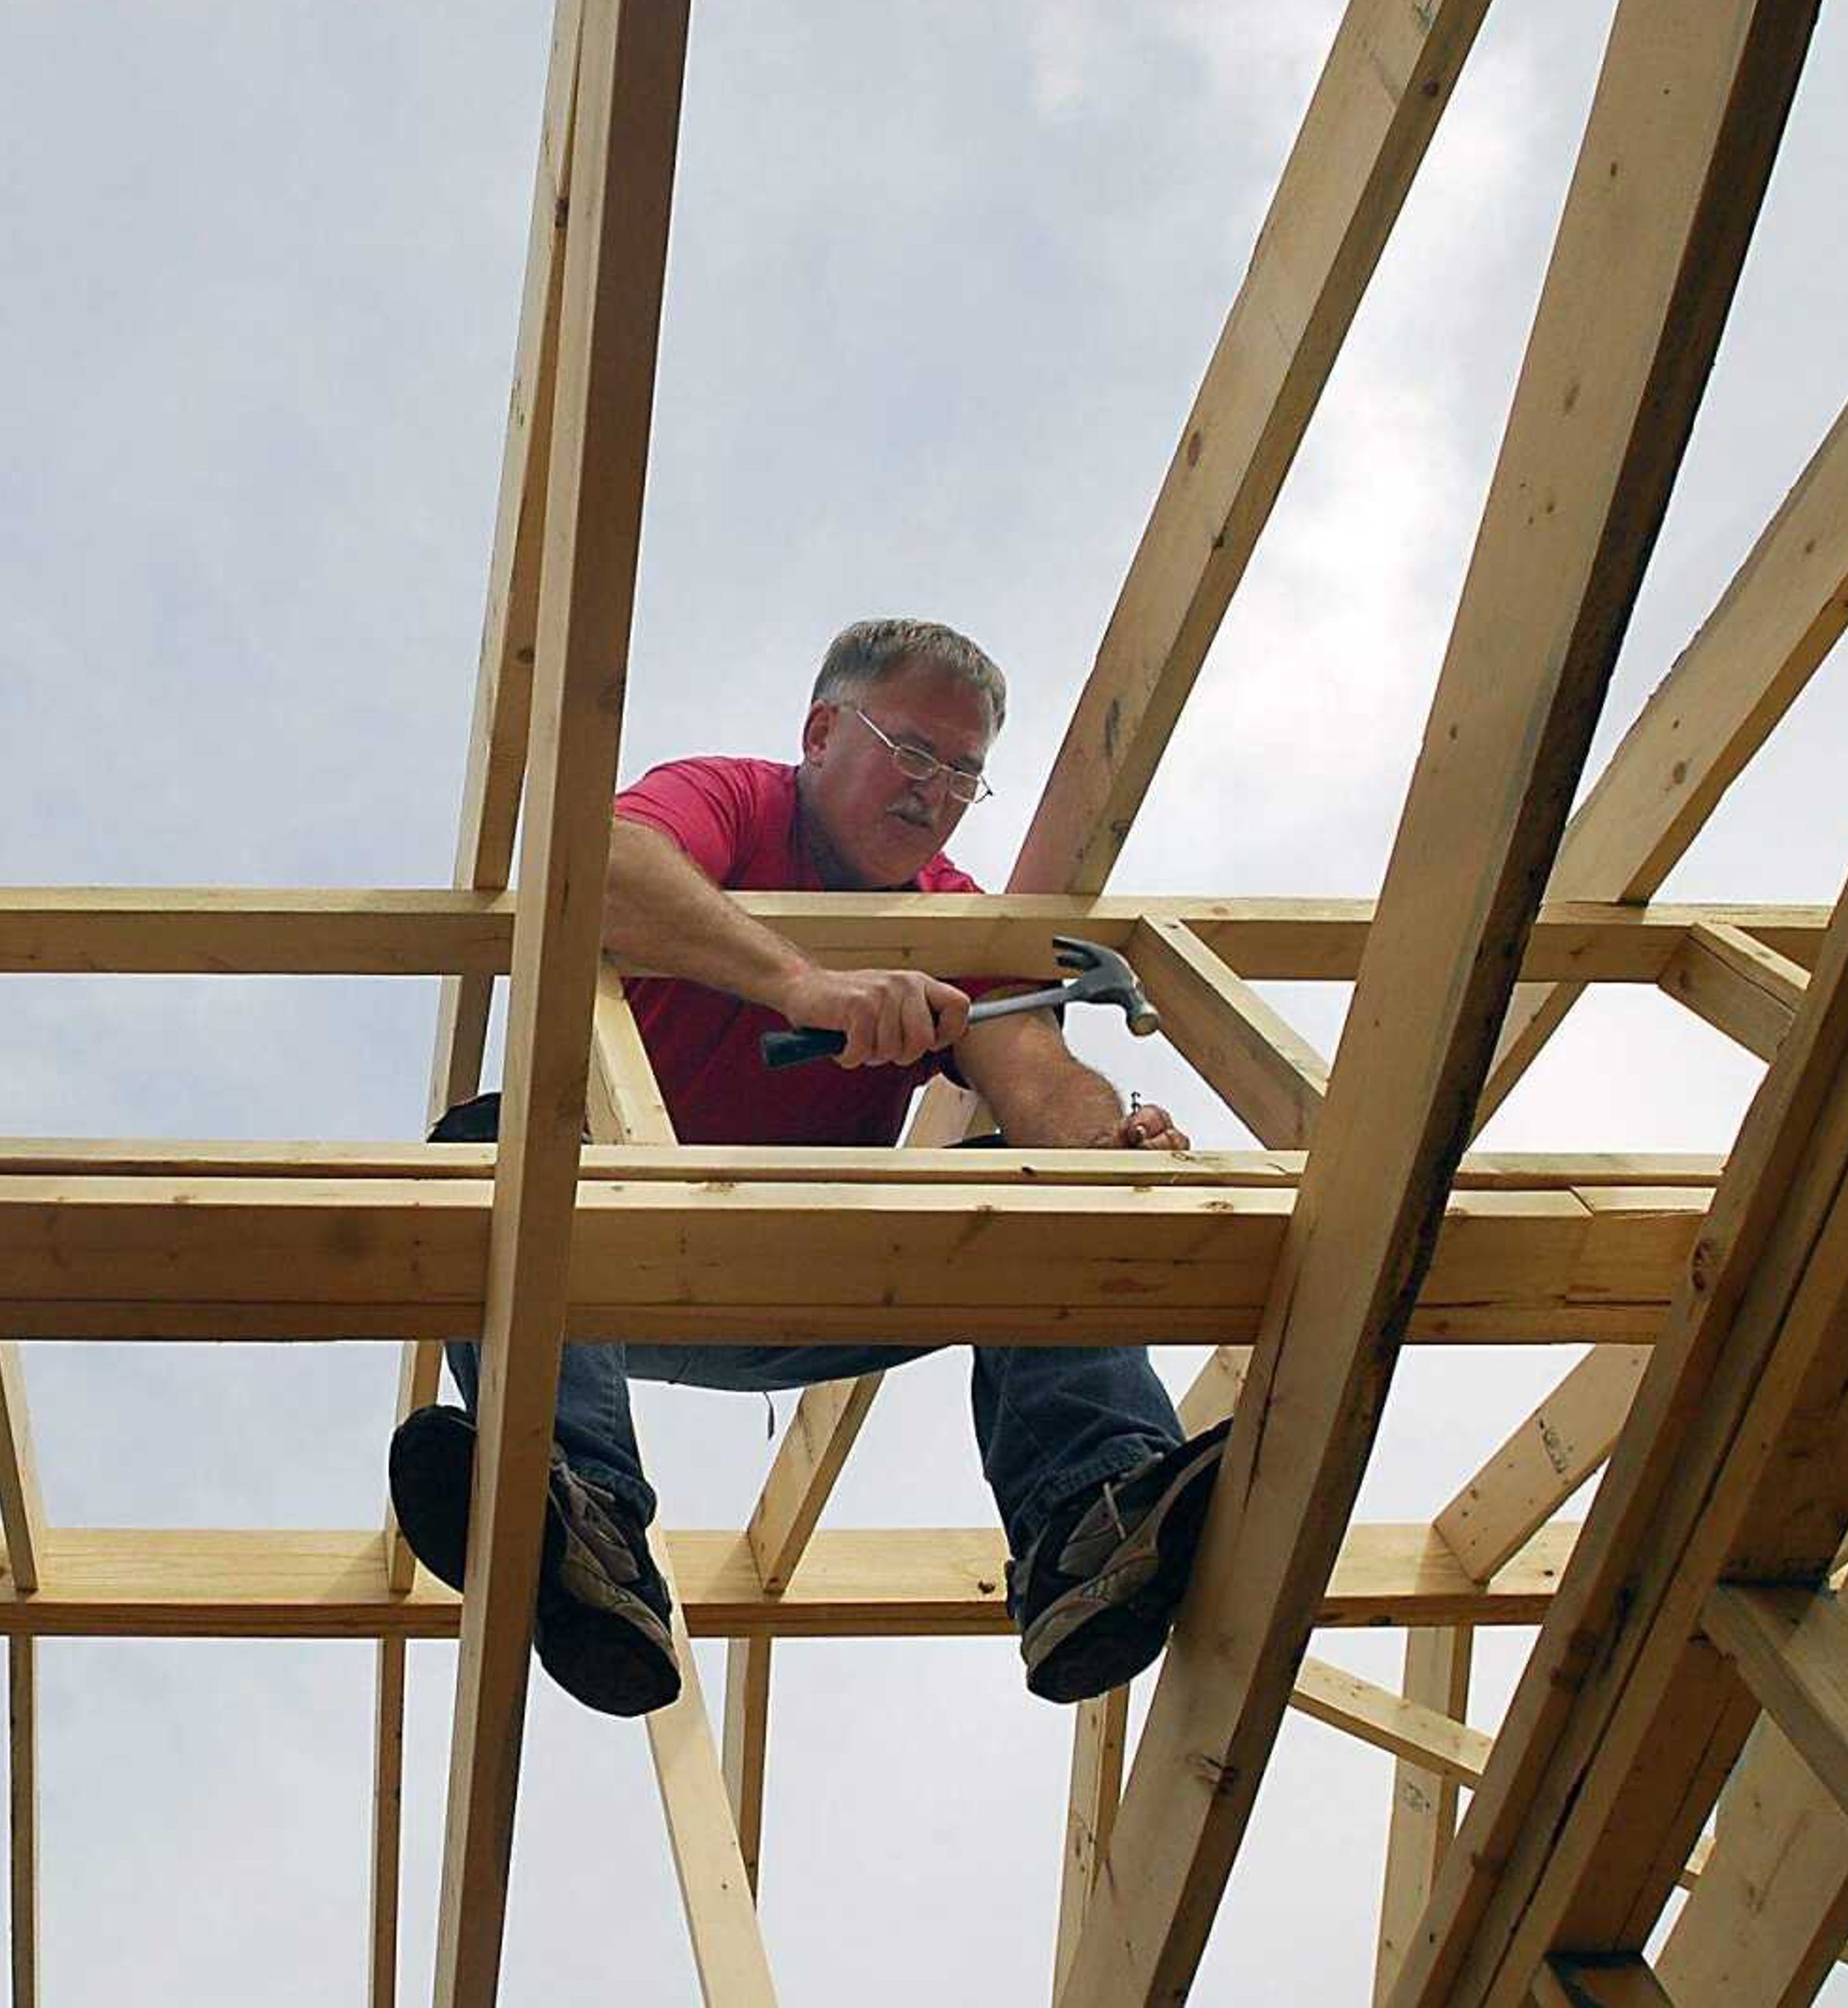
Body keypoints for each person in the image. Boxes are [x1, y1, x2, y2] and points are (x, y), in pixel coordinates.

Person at [388, 618, 1230, 1717]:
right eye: (916, 750)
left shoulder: (949, 910)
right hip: (604, 1258)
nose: (936, 789)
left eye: (966, 772)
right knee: (487, 1142)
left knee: (1025, 1173)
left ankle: (1094, 1521)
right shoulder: (733, 801)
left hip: (818, 1276)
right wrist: (805, 983)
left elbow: (1033, 1068)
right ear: (823, 730)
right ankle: (582, 1523)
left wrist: (1103, 1150)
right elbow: (593, 864)